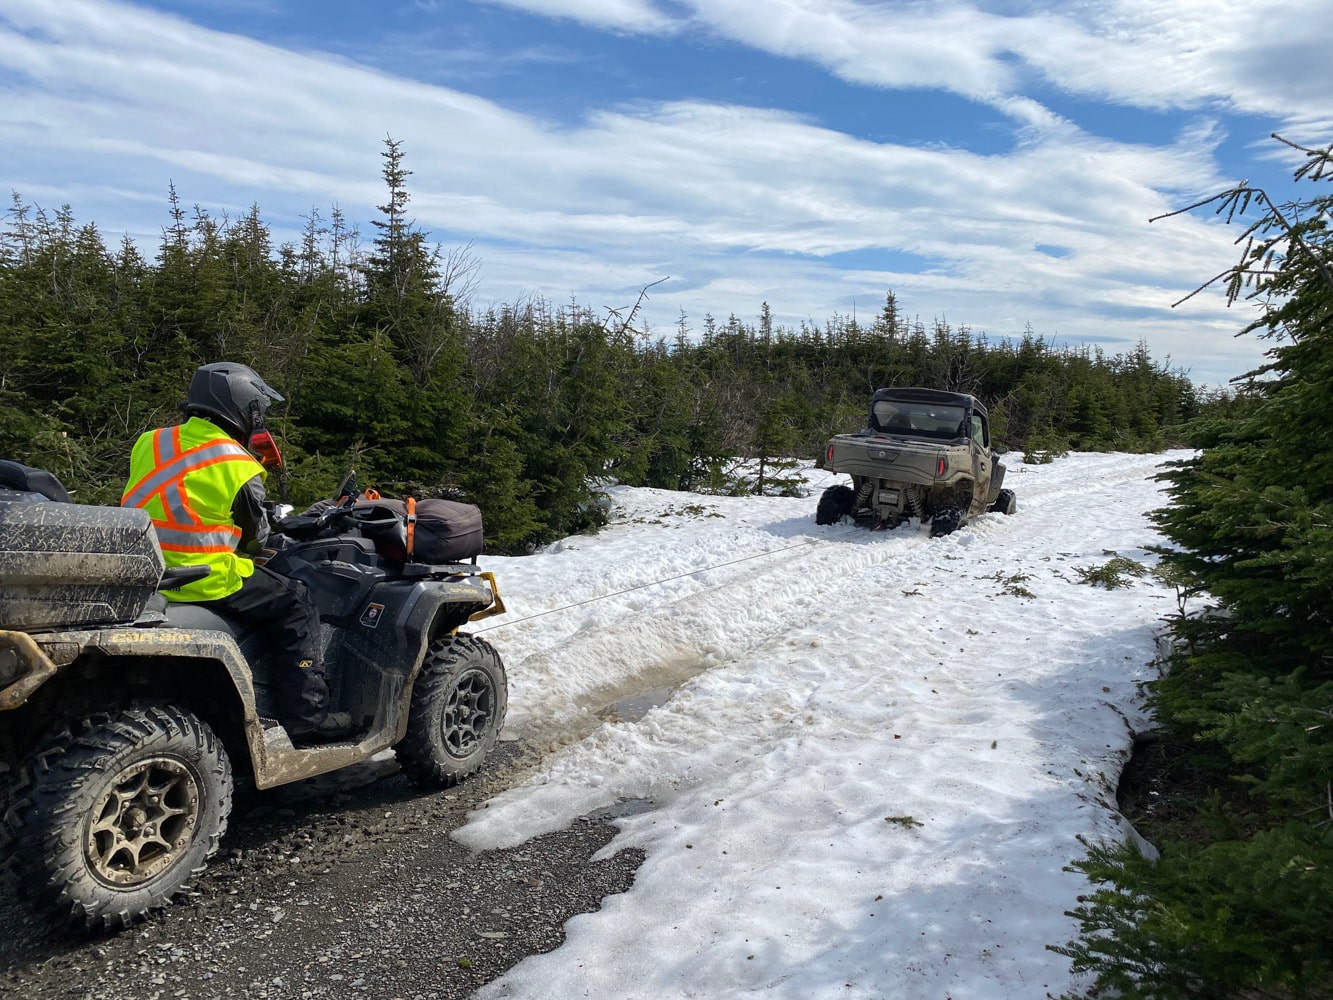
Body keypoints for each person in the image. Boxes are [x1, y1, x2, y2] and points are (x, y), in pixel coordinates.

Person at [122, 361, 342, 740]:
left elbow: (177, 497)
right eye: (259, 409)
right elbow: (258, 538)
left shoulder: (151, 441)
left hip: (145, 569)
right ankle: (306, 716)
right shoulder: (237, 462)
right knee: (297, 602)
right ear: (246, 408)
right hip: (203, 577)